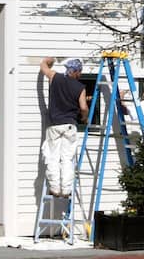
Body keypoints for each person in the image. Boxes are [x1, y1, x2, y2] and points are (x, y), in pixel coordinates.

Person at [40, 57, 89, 198]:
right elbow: (84, 107)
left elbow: (43, 66)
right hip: (69, 125)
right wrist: (84, 118)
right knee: (67, 159)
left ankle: (54, 188)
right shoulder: (80, 88)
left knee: (52, 157)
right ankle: (66, 190)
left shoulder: (55, 77)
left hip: (54, 125)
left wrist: (49, 60)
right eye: (80, 72)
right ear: (77, 72)